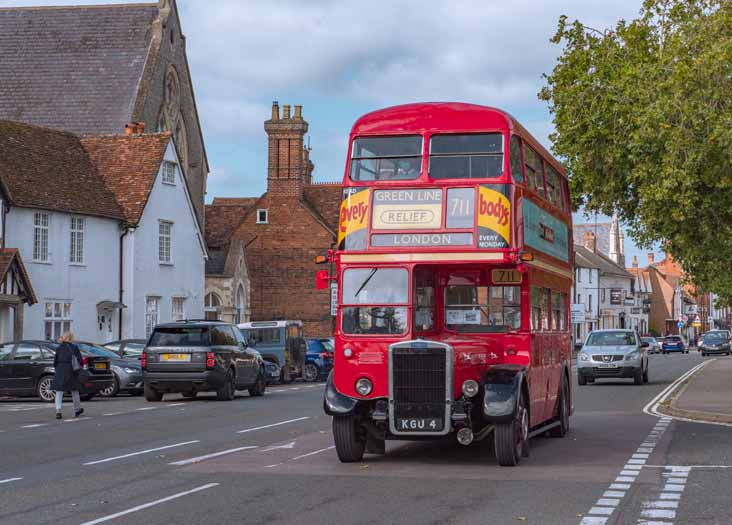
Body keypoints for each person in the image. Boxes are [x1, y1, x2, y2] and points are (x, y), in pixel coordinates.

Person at [51, 332, 85, 419]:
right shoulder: (74, 347)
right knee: (74, 390)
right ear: (71, 338)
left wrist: (57, 369)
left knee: (59, 391)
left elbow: (55, 361)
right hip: (71, 370)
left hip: (60, 370)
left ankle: (58, 411)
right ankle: (77, 409)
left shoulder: (59, 348)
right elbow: (80, 361)